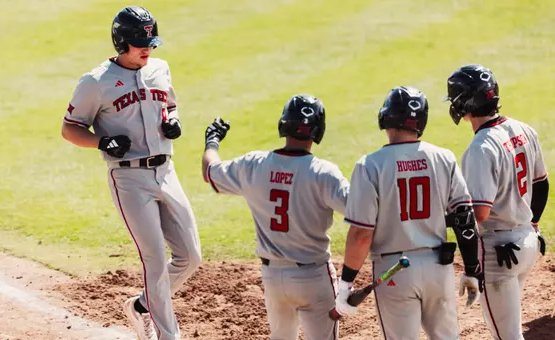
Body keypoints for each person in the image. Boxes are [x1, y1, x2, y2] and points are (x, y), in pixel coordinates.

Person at [61, 6, 201, 340]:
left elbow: (169, 103)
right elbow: (70, 128)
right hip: (129, 180)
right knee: (154, 259)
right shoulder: (95, 82)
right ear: (121, 42)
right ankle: (169, 335)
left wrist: (172, 120)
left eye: (151, 41)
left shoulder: (160, 69)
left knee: (191, 256)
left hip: (167, 172)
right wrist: (101, 142)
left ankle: (140, 306)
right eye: (140, 42)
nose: (148, 48)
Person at [335, 86, 484, 340]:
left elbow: (361, 234)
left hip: (395, 272)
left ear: (386, 117)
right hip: (439, 269)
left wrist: (345, 284)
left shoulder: (370, 165)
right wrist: (472, 269)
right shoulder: (443, 158)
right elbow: (465, 218)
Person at [201, 94, 349, 340]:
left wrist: (212, 141)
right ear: (318, 130)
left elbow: (209, 172)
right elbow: (362, 213)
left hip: (273, 278)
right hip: (313, 277)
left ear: (284, 124)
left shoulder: (254, 165)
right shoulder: (324, 173)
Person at [445, 64, 549, 340]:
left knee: (508, 336)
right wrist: (533, 226)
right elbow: (542, 185)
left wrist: (441, 217)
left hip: (498, 254)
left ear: (463, 103)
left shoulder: (481, 148)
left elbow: (478, 213)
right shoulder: (523, 129)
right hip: (526, 244)